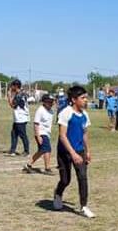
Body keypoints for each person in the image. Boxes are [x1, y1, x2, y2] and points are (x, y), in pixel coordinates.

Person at [53, 85, 94, 218]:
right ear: (74, 99)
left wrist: (87, 151)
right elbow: (62, 136)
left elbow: (85, 134)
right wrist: (73, 154)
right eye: (83, 98)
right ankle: (58, 194)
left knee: (82, 177)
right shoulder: (66, 113)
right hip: (65, 152)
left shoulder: (85, 115)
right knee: (65, 180)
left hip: (80, 151)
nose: (85, 100)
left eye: (86, 98)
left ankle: (84, 206)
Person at [25, 94, 56, 174]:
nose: (51, 103)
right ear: (44, 102)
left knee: (41, 150)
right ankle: (47, 168)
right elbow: (36, 124)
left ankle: (28, 165)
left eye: (52, 102)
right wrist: (38, 136)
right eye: (49, 102)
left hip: (47, 133)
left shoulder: (51, 111)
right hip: (41, 133)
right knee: (47, 149)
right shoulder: (40, 110)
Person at [6, 79, 31, 155]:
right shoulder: (21, 93)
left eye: (12, 86)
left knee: (22, 135)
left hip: (21, 118)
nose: (11, 87)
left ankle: (26, 151)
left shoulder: (19, 95)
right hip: (19, 118)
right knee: (14, 133)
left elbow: (13, 105)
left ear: (16, 86)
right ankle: (12, 150)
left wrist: (9, 96)